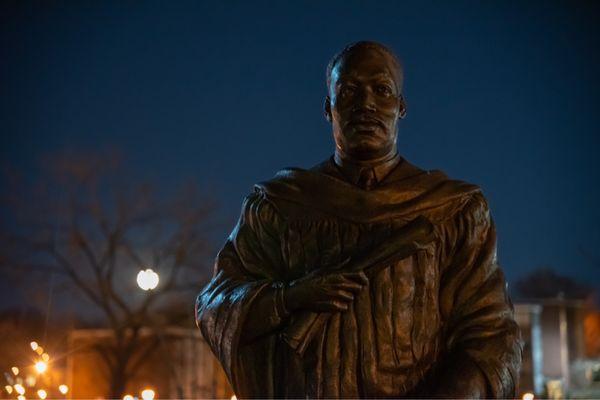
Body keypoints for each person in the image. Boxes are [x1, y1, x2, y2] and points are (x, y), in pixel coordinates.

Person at [196, 41, 522, 398]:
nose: (366, 104)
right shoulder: (280, 206)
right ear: (328, 108)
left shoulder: (451, 210)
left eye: (381, 91)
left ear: (401, 107)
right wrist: (289, 298)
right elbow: (216, 304)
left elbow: (490, 335)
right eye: (348, 91)